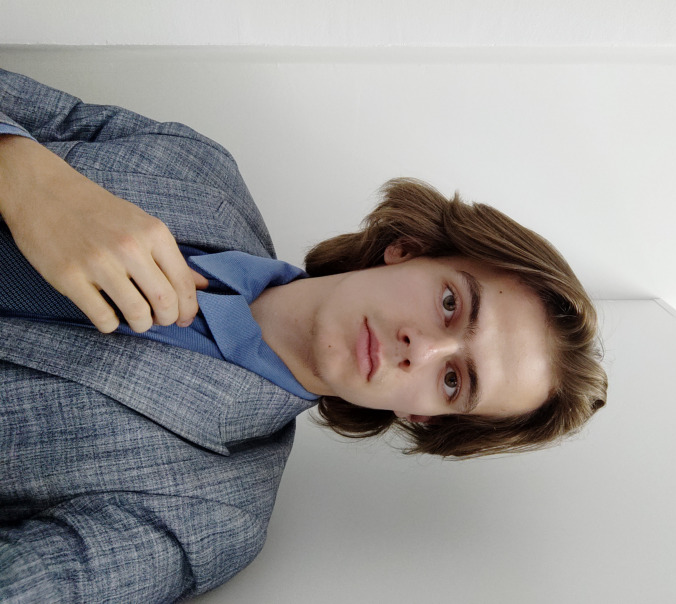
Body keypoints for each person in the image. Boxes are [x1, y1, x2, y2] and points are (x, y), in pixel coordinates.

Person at [0, 69, 607, 602]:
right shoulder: (197, 170)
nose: (420, 349)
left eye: (453, 380)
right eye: (451, 304)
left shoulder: (211, 514)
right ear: (410, 249)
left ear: (422, 416)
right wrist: (20, 171)